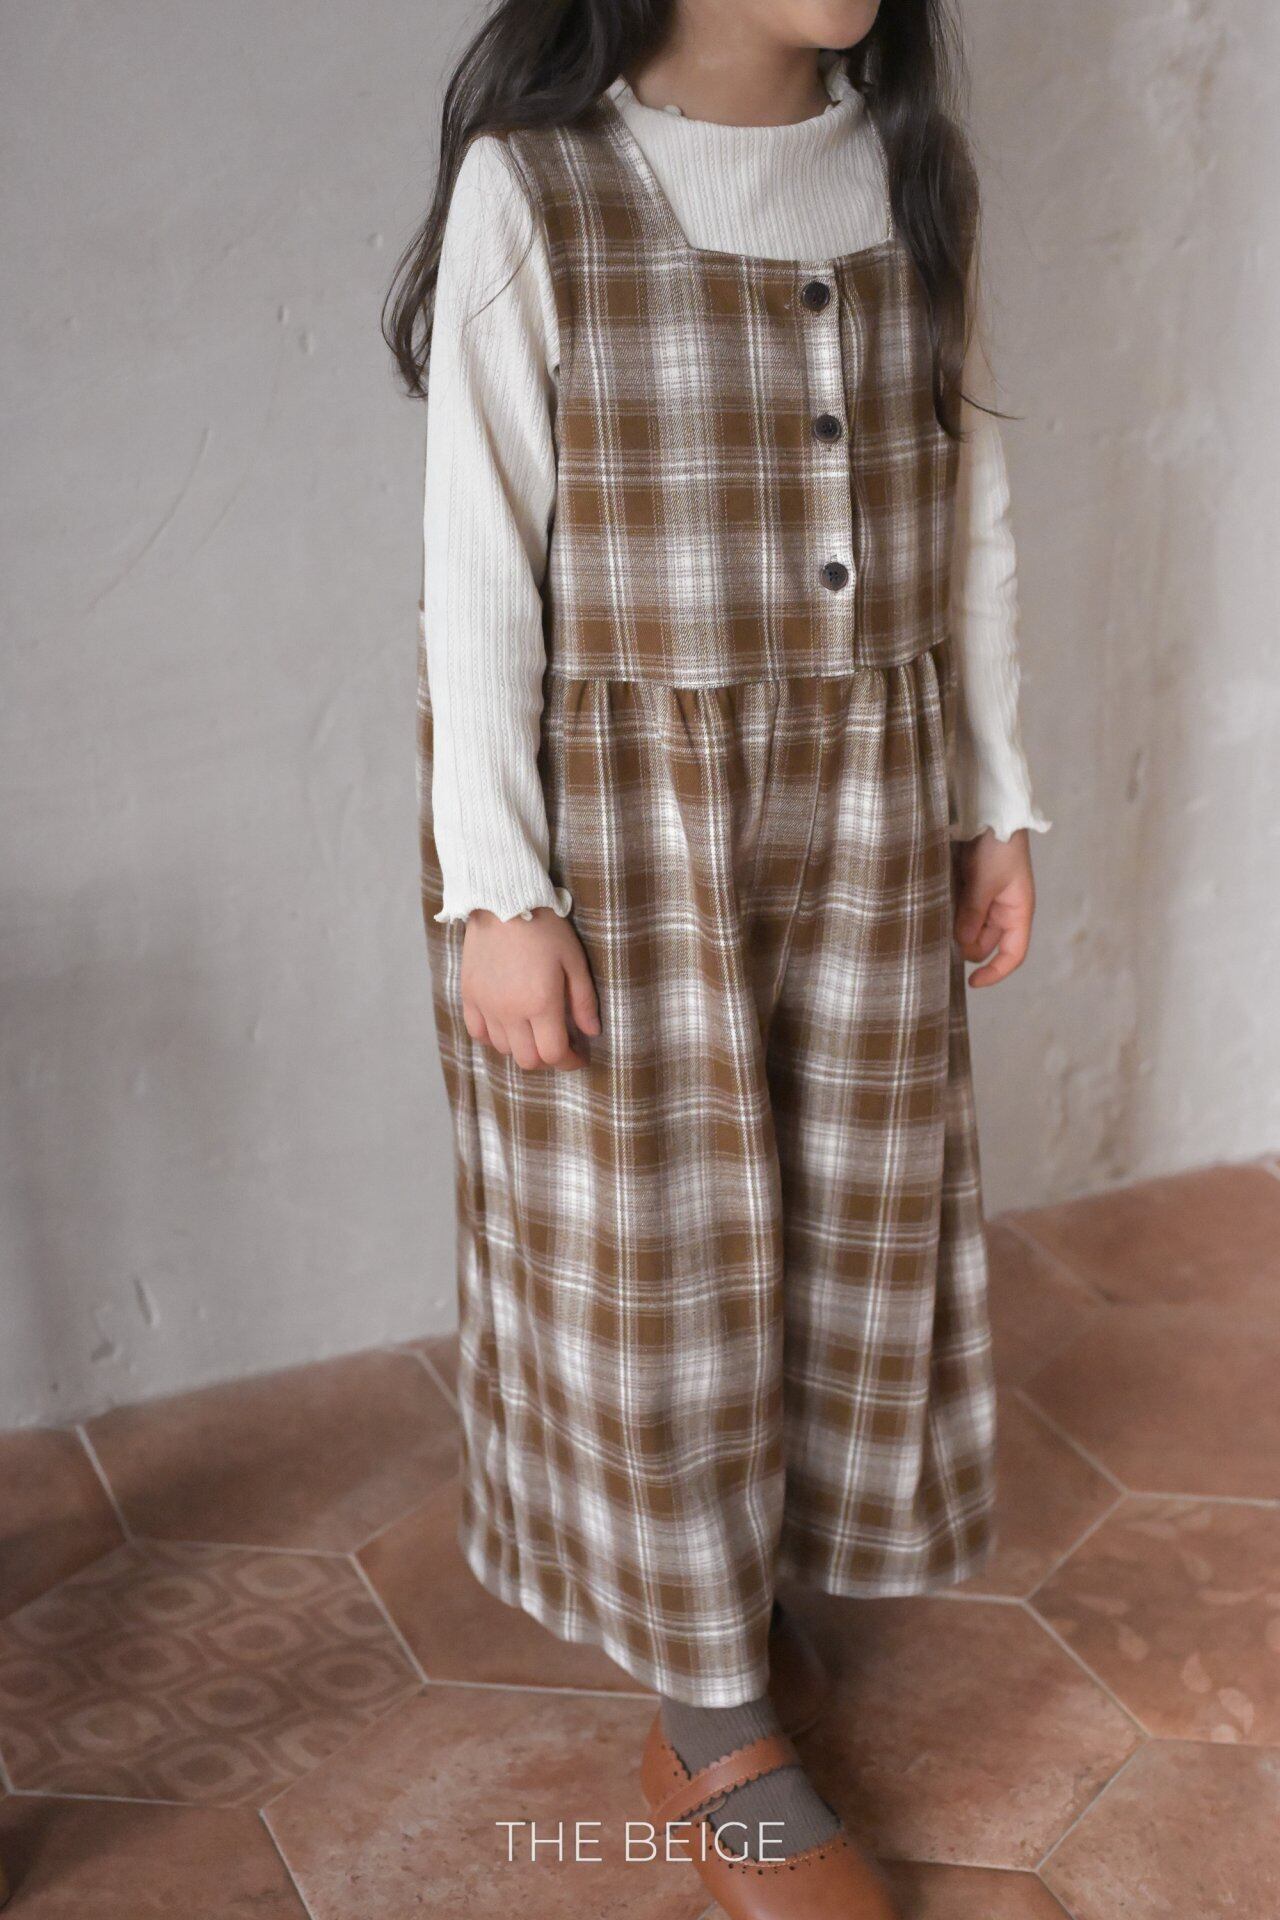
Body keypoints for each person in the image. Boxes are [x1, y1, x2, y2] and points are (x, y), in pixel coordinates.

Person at [386, 3, 1048, 1912]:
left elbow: (972, 504)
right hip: (628, 825)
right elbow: (476, 564)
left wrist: (997, 797)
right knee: (656, 1256)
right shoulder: (540, 189)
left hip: (873, 790)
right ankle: (708, 1722)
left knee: (850, 1210)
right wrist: (497, 888)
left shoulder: (910, 170)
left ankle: (743, 1581)